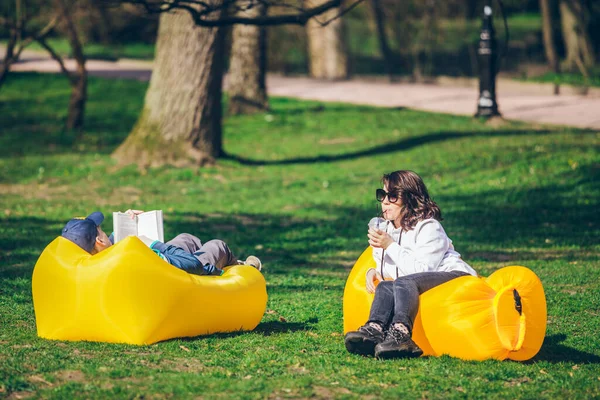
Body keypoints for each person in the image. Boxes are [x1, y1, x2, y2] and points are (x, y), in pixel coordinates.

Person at [344, 170, 477, 359]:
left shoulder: (428, 227)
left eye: (392, 196)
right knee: (386, 286)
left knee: (404, 283)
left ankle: (402, 335)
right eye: (382, 195)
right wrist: (375, 269)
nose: (385, 202)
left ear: (410, 198)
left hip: (455, 276)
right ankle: (374, 330)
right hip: (417, 280)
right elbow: (397, 272)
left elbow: (421, 270)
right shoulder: (388, 229)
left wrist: (389, 245)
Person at [61, 210, 262, 276]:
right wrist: (152, 243)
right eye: (101, 230)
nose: (104, 231)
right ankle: (240, 269)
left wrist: (128, 224)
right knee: (218, 245)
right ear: (99, 240)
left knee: (187, 238)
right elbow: (193, 265)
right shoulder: (134, 258)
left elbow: (109, 246)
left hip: (166, 261)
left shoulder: (97, 258)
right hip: (184, 272)